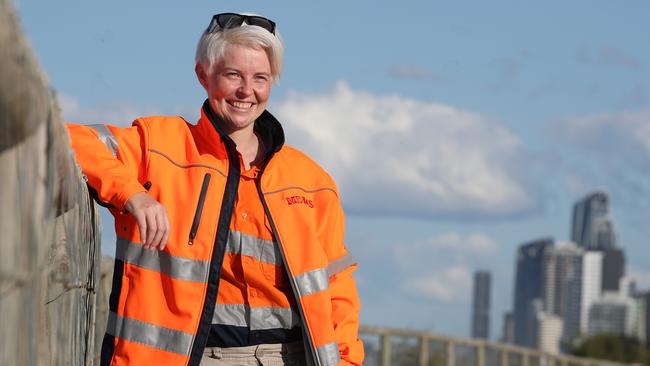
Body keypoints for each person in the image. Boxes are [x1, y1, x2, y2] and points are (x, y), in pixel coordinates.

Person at [67, 12, 364, 366]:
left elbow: (339, 290)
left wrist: (347, 361)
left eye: (260, 78)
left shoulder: (312, 182)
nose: (246, 91)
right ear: (203, 75)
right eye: (233, 75)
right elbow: (68, 138)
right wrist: (132, 193)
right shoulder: (159, 146)